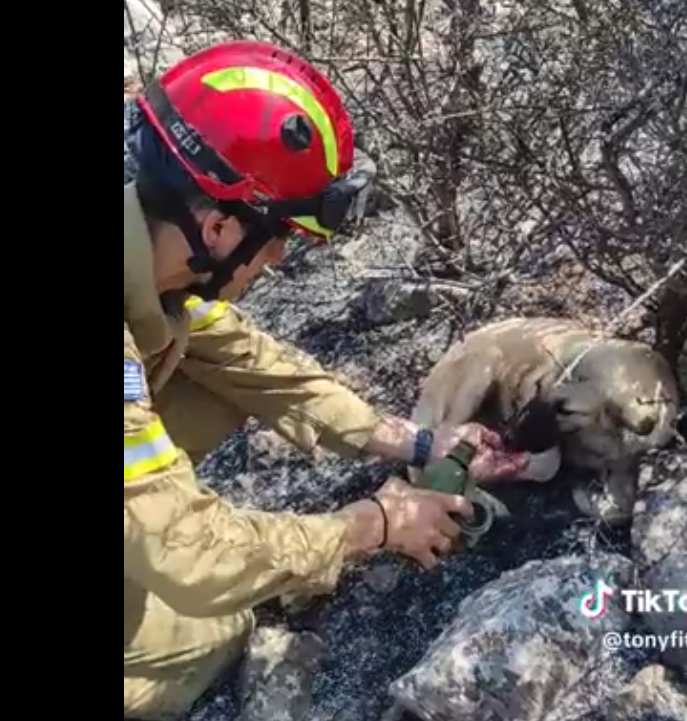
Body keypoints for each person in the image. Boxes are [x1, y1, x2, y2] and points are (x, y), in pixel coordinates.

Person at [123, 40, 528, 720]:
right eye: (277, 234)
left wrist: (418, 443)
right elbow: (191, 557)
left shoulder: (151, 254)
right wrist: (371, 524)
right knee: (216, 629)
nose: (278, 256)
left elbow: (261, 368)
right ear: (219, 226)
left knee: (208, 379)